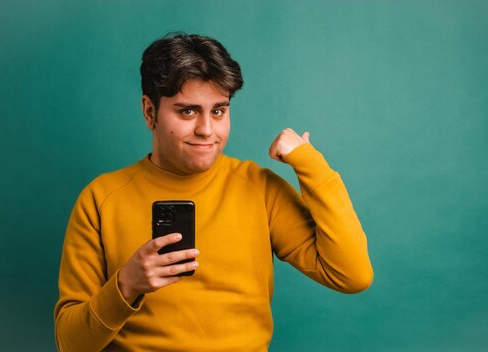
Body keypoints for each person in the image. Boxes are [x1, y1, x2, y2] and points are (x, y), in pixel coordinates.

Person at [54, 33, 373, 352]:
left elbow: (352, 275)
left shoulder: (259, 189)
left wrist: (309, 162)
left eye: (218, 111)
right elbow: (70, 344)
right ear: (150, 111)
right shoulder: (100, 199)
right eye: (188, 112)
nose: (207, 130)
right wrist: (126, 286)